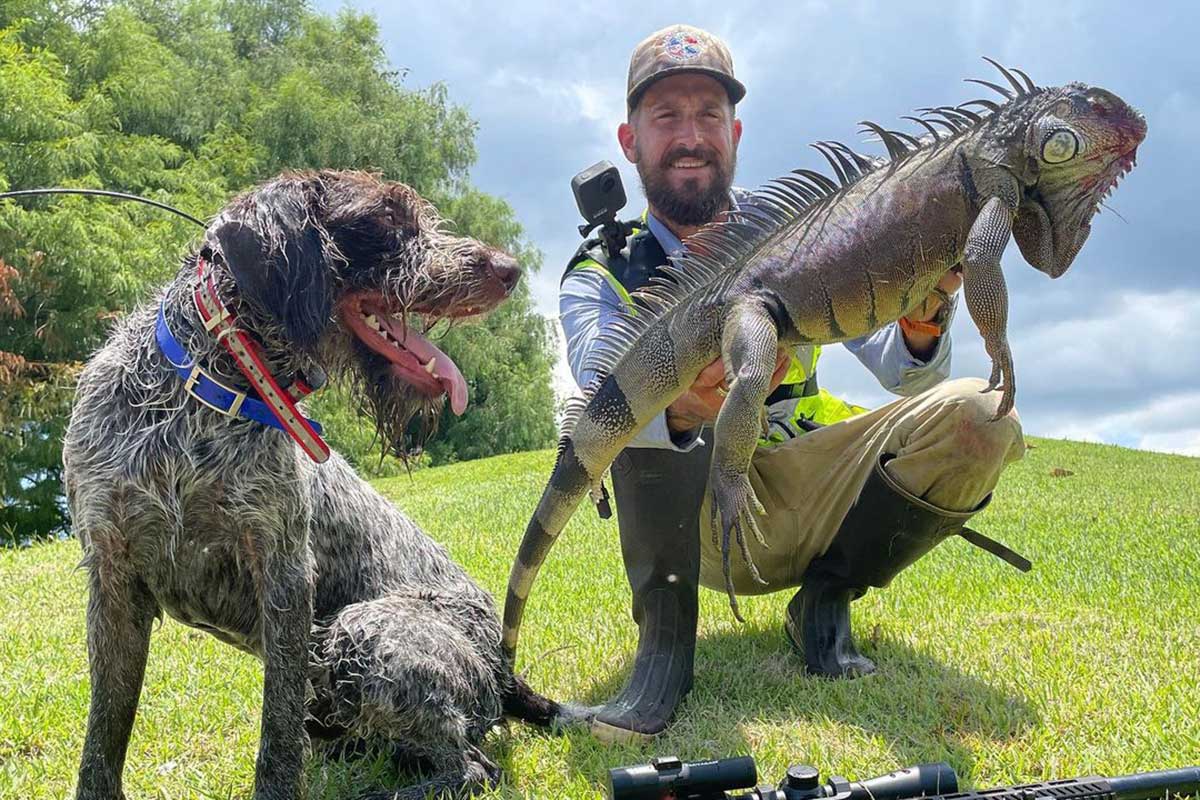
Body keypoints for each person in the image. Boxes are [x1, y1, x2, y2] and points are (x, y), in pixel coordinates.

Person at [558, 24, 1027, 743]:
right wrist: (688, 401)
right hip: (706, 517)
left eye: (708, 115)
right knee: (605, 410)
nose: (691, 135)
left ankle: (824, 603)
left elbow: (907, 373)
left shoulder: (806, 233)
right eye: (667, 116)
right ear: (630, 140)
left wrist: (928, 311)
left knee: (980, 413)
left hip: (819, 490)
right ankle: (664, 650)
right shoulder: (599, 278)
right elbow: (598, 413)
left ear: (736, 132)